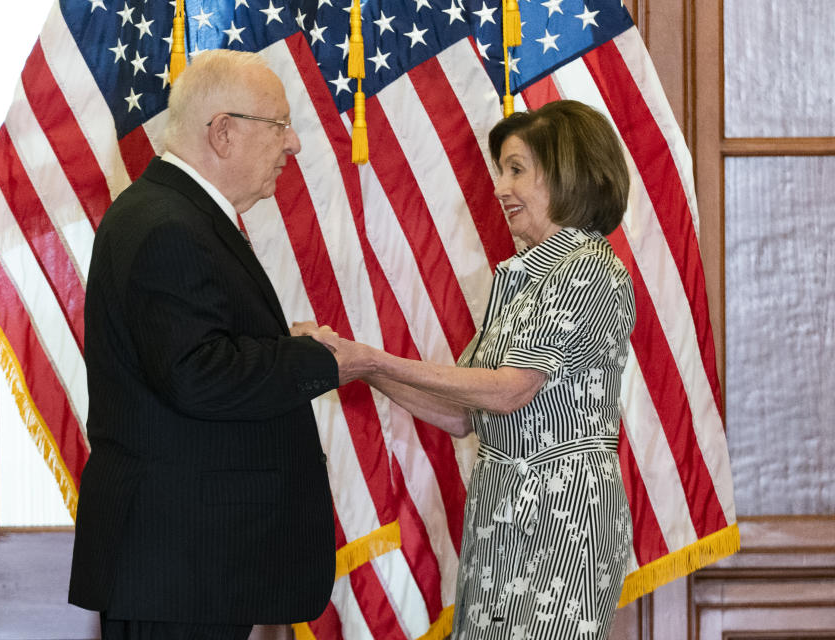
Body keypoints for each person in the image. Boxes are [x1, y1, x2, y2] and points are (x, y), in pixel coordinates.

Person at [305, 100, 636, 638]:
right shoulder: (523, 277)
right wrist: (358, 363)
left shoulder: (590, 269)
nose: (501, 187)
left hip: (561, 525)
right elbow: (462, 414)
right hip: (502, 515)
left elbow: (509, 391)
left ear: (567, 171)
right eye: (502, 170)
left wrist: (372, 359)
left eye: (517, 169)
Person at [68, 49, 351, 639]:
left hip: (190, 563)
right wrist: (318, 357)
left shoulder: (176, 213)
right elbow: (198, 372)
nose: (293, 144)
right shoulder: (168, 225)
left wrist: (278, 340)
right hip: (180, 563)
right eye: (278, 125)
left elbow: (188, 352)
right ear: (223, 132)